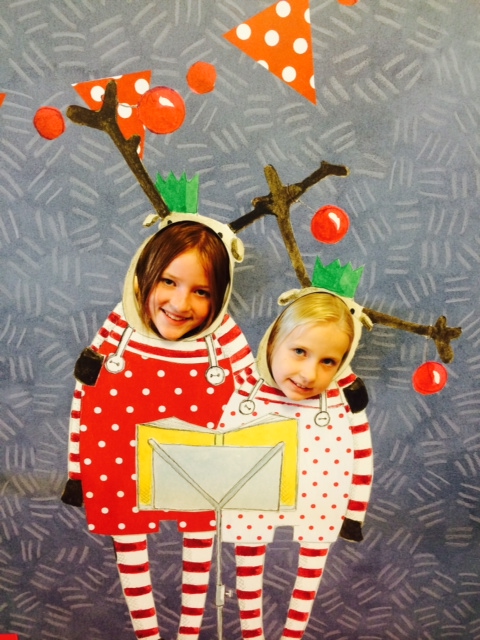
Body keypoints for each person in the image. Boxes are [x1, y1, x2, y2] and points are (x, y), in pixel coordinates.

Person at [61, 213, 254, 640]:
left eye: (202, 291)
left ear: (220, 296)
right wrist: (78, 473)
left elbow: (255, 395)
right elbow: (85, 397)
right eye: (169, 281)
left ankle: (190, 634)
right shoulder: (119, 326)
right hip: (120, 458)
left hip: (198, 464)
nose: (181, 304)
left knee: (201, 541)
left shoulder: (223, 336)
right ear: (143, 275)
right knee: (128, 542)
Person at [219, 289, 373, 640]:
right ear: (274, 341)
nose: (308, 374)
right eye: (300, 351)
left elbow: (361, 456)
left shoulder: (340, 406)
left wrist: (354, 514)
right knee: (247, 567)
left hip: (320, 503)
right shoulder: (245, 393)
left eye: (328, 361)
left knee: (310, 572)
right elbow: (221, 447)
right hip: (254, 501)